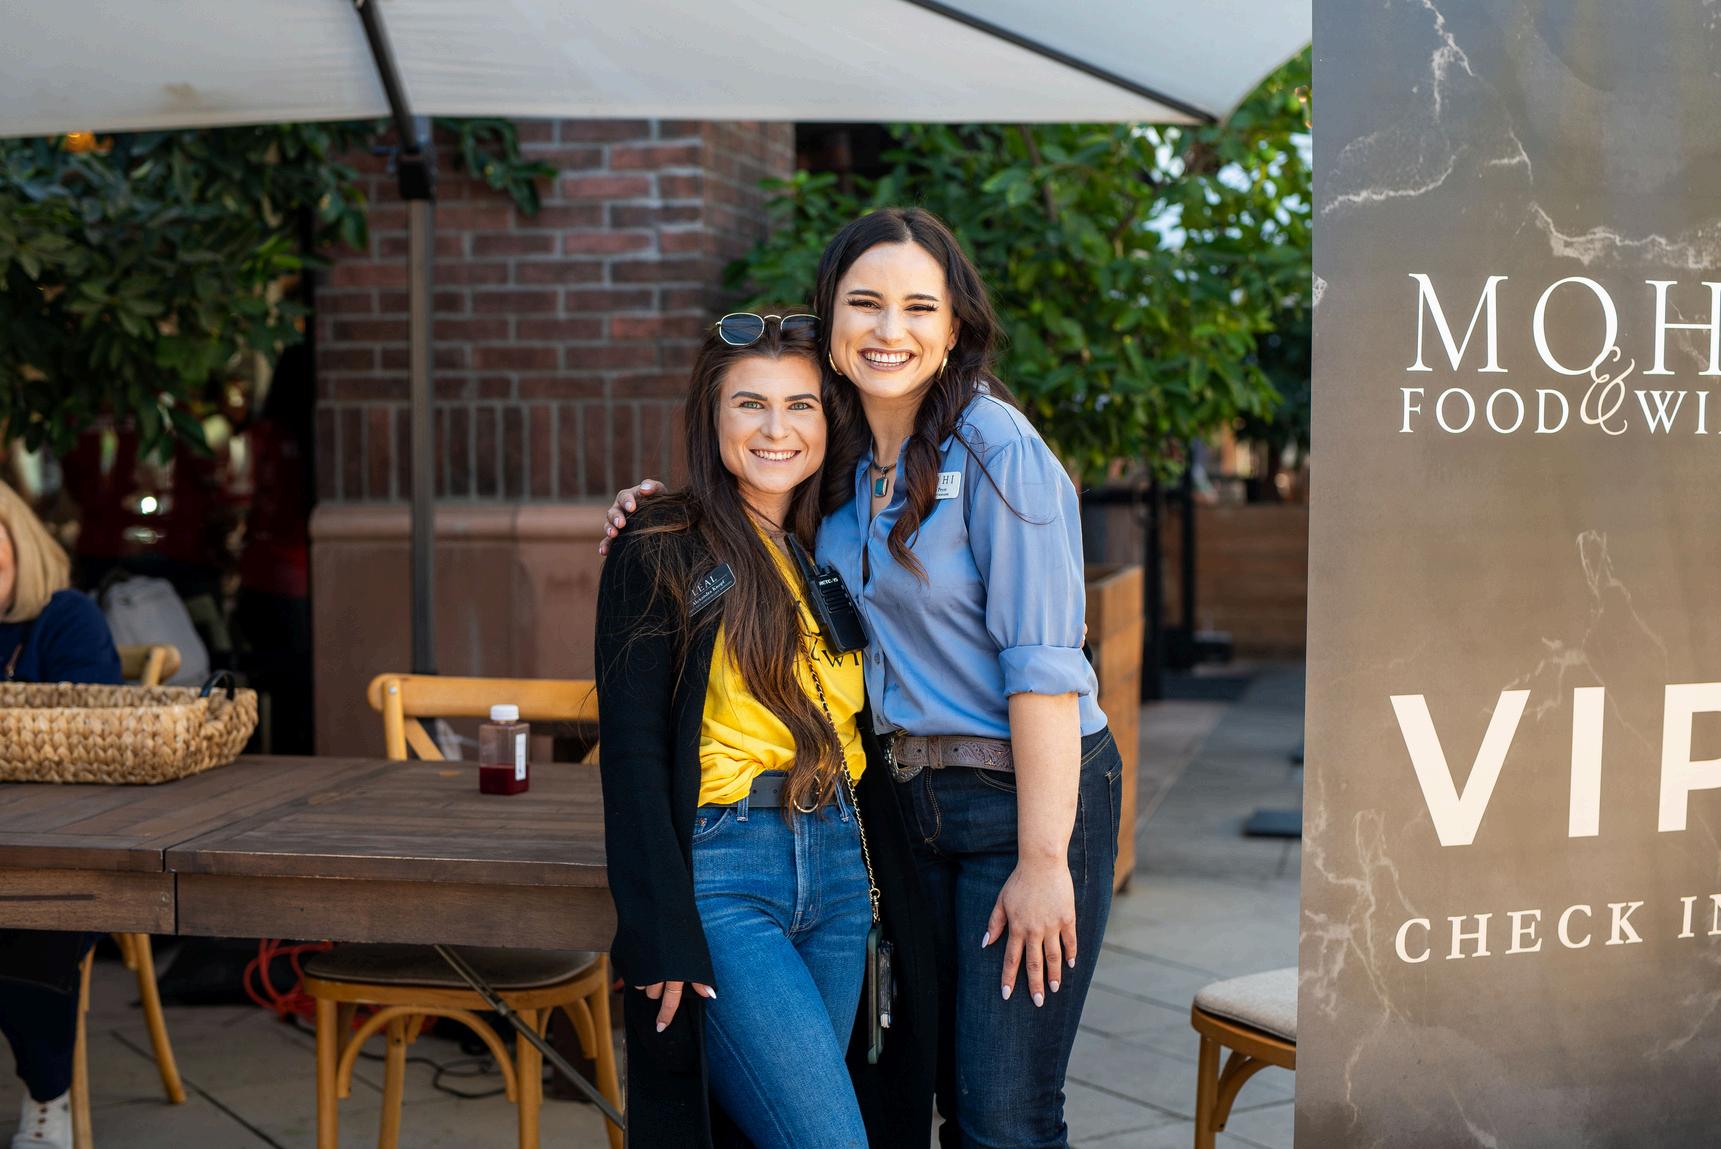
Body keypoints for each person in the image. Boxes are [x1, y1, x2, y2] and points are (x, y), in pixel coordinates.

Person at [603, 207, 1124, 1148]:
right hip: (897, 814)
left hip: (1020, 797)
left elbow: (1045, 670)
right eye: (865, 303)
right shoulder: (841, 470)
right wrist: (654, 516)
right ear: (831, 318)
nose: (890, 329)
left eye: (919, 306)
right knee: (925, 1092)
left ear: (954, 327)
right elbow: (746, 504)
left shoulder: (998, 448)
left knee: (1002, 1111)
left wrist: (1045, 860)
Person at [594, 314, 934, 1148]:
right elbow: (632, 752)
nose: (776, 429)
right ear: (711, 418)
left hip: (841, 871)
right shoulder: (661, 543)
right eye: (749, 403)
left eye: (799, 405)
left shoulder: (837, 541)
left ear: (828, 420)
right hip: (725, 873)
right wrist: (658, 928)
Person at [0, 480, 124, 1149]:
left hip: (68, 846)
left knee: (30, 914)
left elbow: (92, 733)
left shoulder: (65, 617)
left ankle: (48, 1093)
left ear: (16, 534)